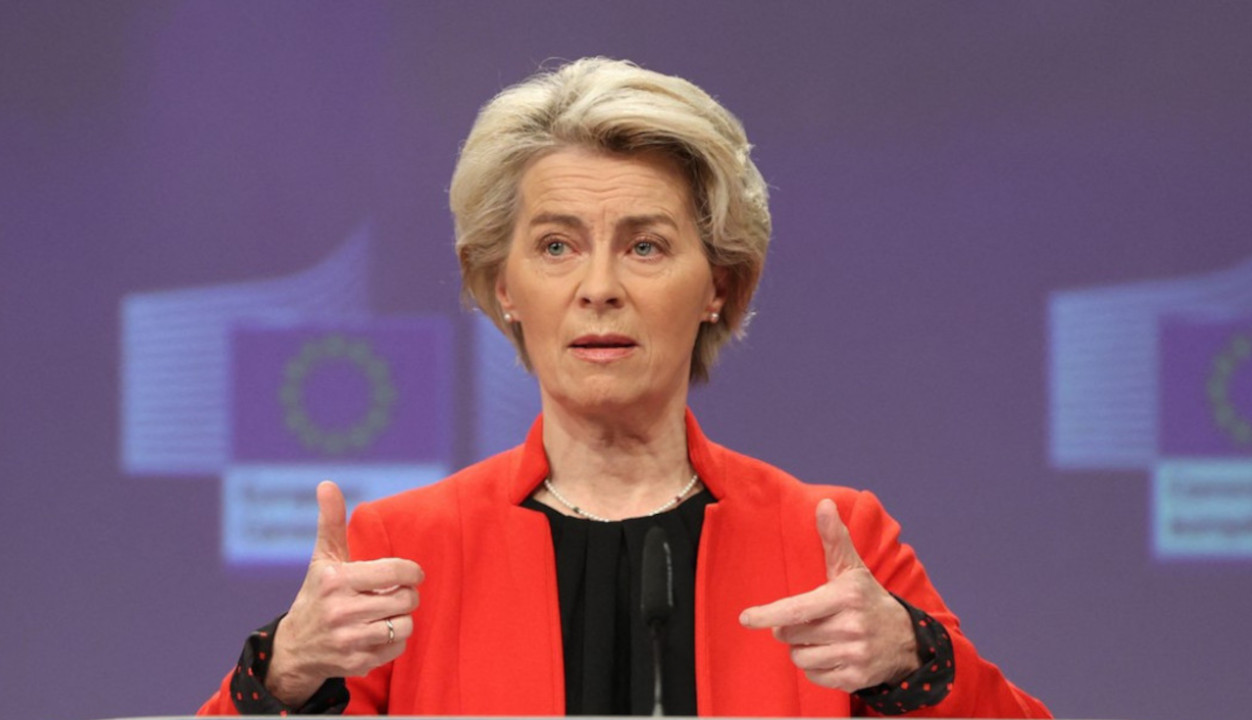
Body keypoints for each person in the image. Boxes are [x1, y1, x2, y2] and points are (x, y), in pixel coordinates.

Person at [198, 57, 1051, 717]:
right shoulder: (403, 552)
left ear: (718, 284)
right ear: (502, 284)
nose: (599, 287)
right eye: (557, 247)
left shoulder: (830, 540)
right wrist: (286, 672)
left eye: (645, 246)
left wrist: (912, 661)